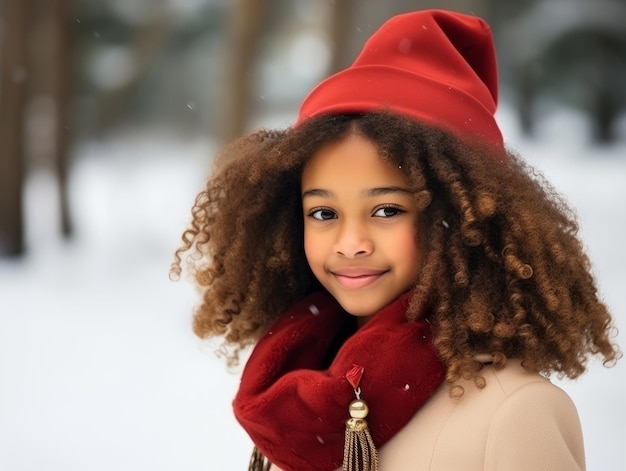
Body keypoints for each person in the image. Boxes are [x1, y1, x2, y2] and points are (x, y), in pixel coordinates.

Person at [171, 9, 621, 471]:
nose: (350, 243)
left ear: (464, 221)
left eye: (387, 210)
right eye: (323, 213)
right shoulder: (291, 390)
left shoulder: (516, 413)